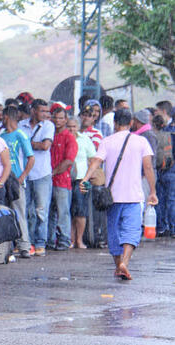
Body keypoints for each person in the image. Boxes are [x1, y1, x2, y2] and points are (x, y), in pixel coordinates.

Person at [84, 109, 158, 280]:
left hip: (113, 197)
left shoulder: (107, 141)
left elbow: (96, 161)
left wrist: (86, 179)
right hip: (134, 196)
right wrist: (152, 191)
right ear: (131, 123)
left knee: (114, 231)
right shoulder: (141, 141)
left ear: (115, 123)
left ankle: (118, 265)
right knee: (131, 231)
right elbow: (148, 167)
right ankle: (124, 262)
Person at [18, 98, 55, 256]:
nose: (46, 114)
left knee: (41, 210)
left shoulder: (48, 125)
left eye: (47, 111)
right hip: (24, 173)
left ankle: (40, 242)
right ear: (33, 110)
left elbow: (45, 146)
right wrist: (33, 144)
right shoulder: (21, 125)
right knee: (25, 210)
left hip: (41, 173)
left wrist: (25, 144)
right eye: (42, 111)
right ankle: (27, 241)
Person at [0, 105, 35, 257]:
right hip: (3, 178)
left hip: (16, 179)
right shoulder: (1, 135)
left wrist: (22, 176)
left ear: (6, 117)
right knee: (5, 212)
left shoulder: (21, 134)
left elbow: (31, 158)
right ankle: (8, 245)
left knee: (19, 211)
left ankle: (24, 245)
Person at [47, 104, 77, 251]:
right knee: (49, 212)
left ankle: (65, 240)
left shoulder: (69, 138)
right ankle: (50, 240)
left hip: (62, 181)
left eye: (60, 118)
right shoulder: (50, 134)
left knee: (63, 212)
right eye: (55, 117)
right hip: (48, 181)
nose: (57, 120)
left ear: (66, 120)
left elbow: (69, 161)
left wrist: (53, 172)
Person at [70, 114, 96, 249]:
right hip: (65, 178)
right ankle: (70, 239)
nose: (71, 129)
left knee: (80, 210)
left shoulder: (85, 140)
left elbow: (93, 159)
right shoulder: (61, 138)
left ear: (78, 127)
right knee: (68, 210)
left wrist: (89, 176)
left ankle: (79, 240)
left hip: (82, 178)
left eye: (74, 126)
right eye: (69, 126)